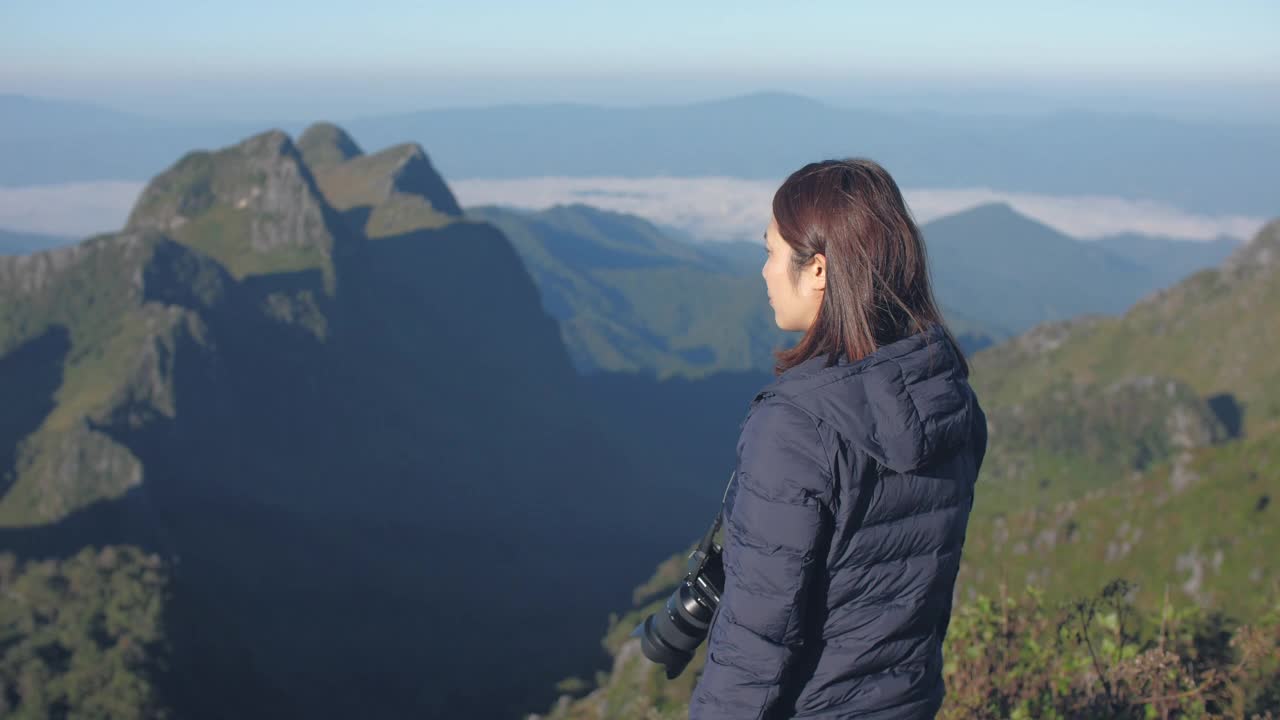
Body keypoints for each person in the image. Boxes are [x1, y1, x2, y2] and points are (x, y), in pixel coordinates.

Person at [688, 159, 988, 719]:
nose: (765, 271)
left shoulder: (795, 429)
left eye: (771, 252)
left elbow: (754, 649)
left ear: (819, 269)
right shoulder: (951, 402)